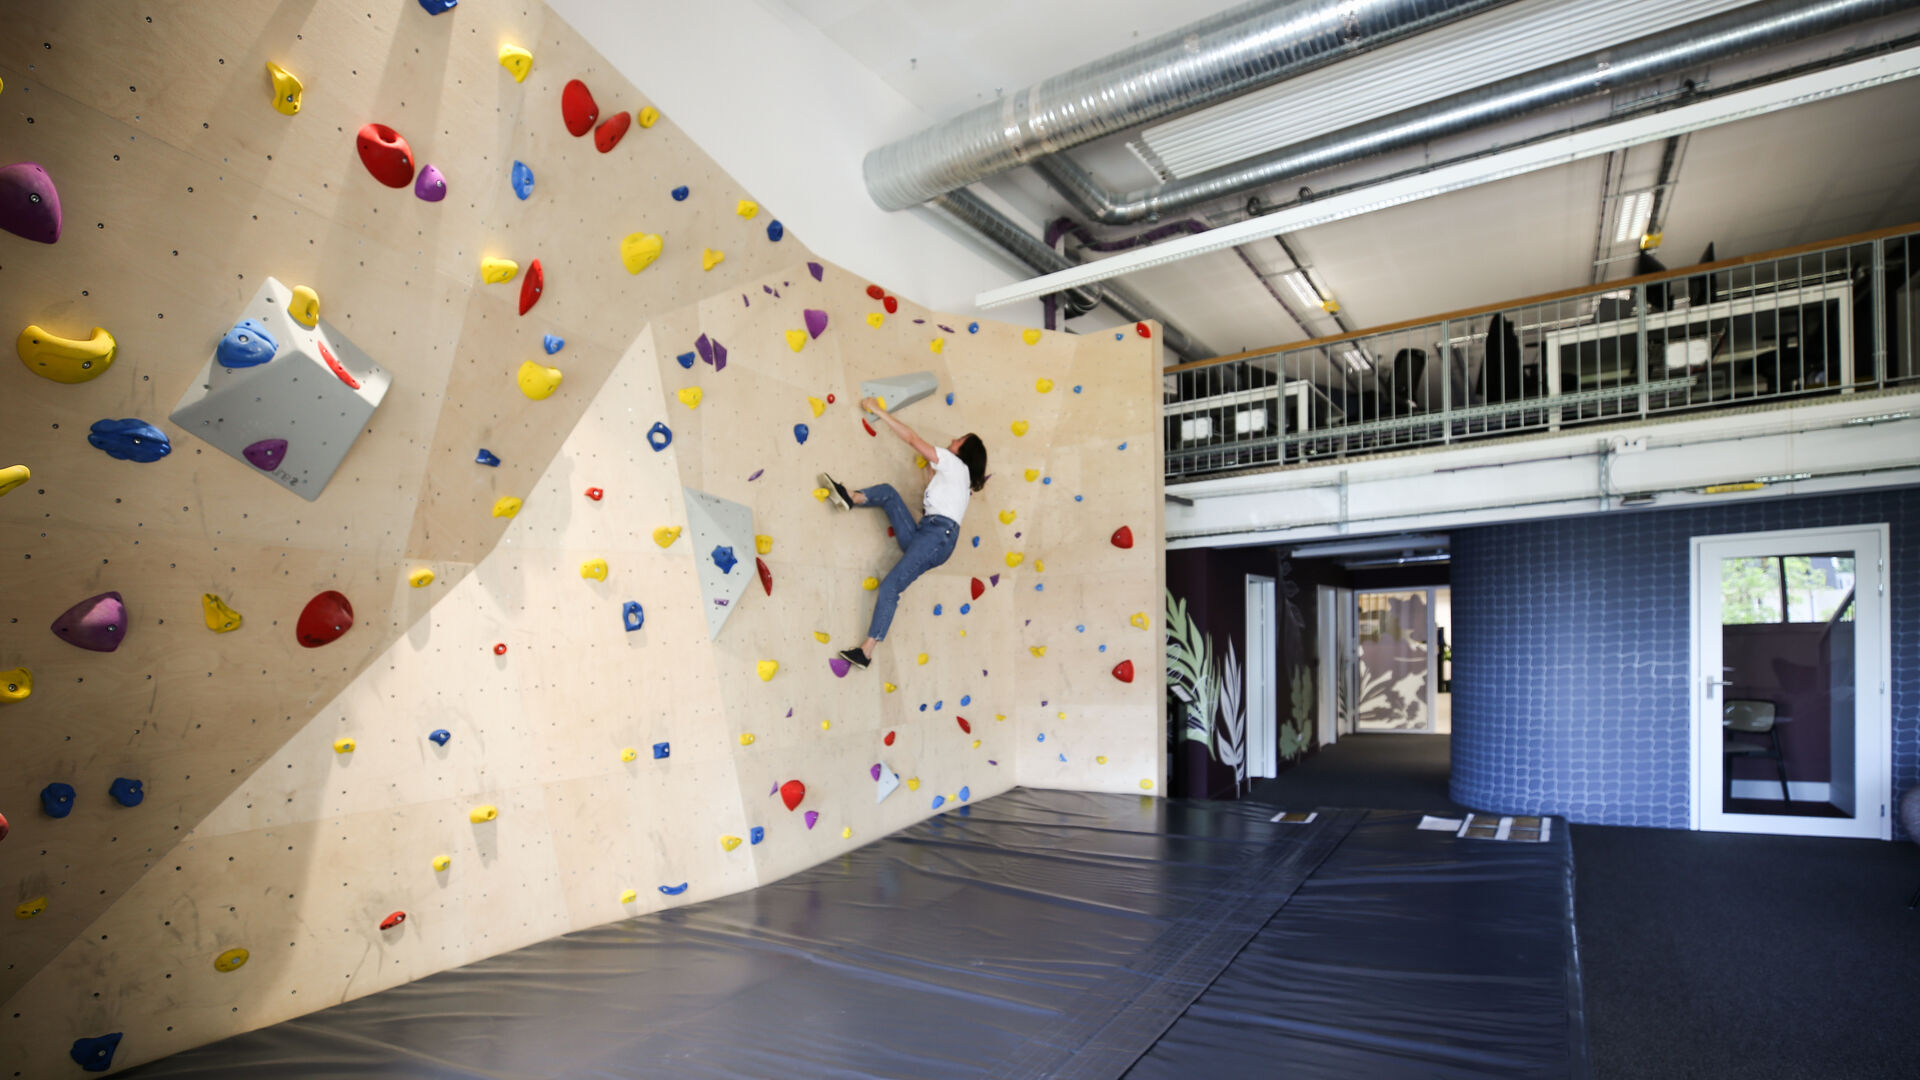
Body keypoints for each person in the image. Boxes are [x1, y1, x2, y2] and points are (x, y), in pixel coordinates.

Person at [820, 398, 986, 669]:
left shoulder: (956, 465)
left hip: (936, 536)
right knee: (888, 493)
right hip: (929, 535)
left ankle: (867, 650)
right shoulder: (957, 476)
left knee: (891, 586)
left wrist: (878, 410)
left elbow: (911, 438)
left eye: (959, 441)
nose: (953, 440)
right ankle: (850, 497)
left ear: (963, 451)